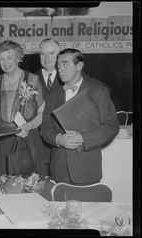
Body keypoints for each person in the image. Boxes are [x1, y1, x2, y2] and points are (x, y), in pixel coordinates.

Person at [41, 48, 120, 185]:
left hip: (86, 170)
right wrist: (58, 139)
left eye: (65, 64)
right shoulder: (53, 95)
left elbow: (111, 127)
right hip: (59, 169)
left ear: (79, 66)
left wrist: (82, 138)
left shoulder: (99, 90)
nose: (60, 70)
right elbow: (45, 128)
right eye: (58, 65)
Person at [0, 40, 46, 194]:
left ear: (18, 57)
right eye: (2, 59)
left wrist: (29, 126)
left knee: (28, 190)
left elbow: (42, 113)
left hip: (27, 141)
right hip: (2, 144)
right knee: (3, 191)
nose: (5, 62)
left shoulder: (32, 80)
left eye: (9, 57)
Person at [34, 38, 64, 175]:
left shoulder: (69, 77)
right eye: (42, 54)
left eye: (51, 53)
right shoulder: (30, 78)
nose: (46, 58)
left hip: (62, 145)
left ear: (59, 55)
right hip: (37, 145)